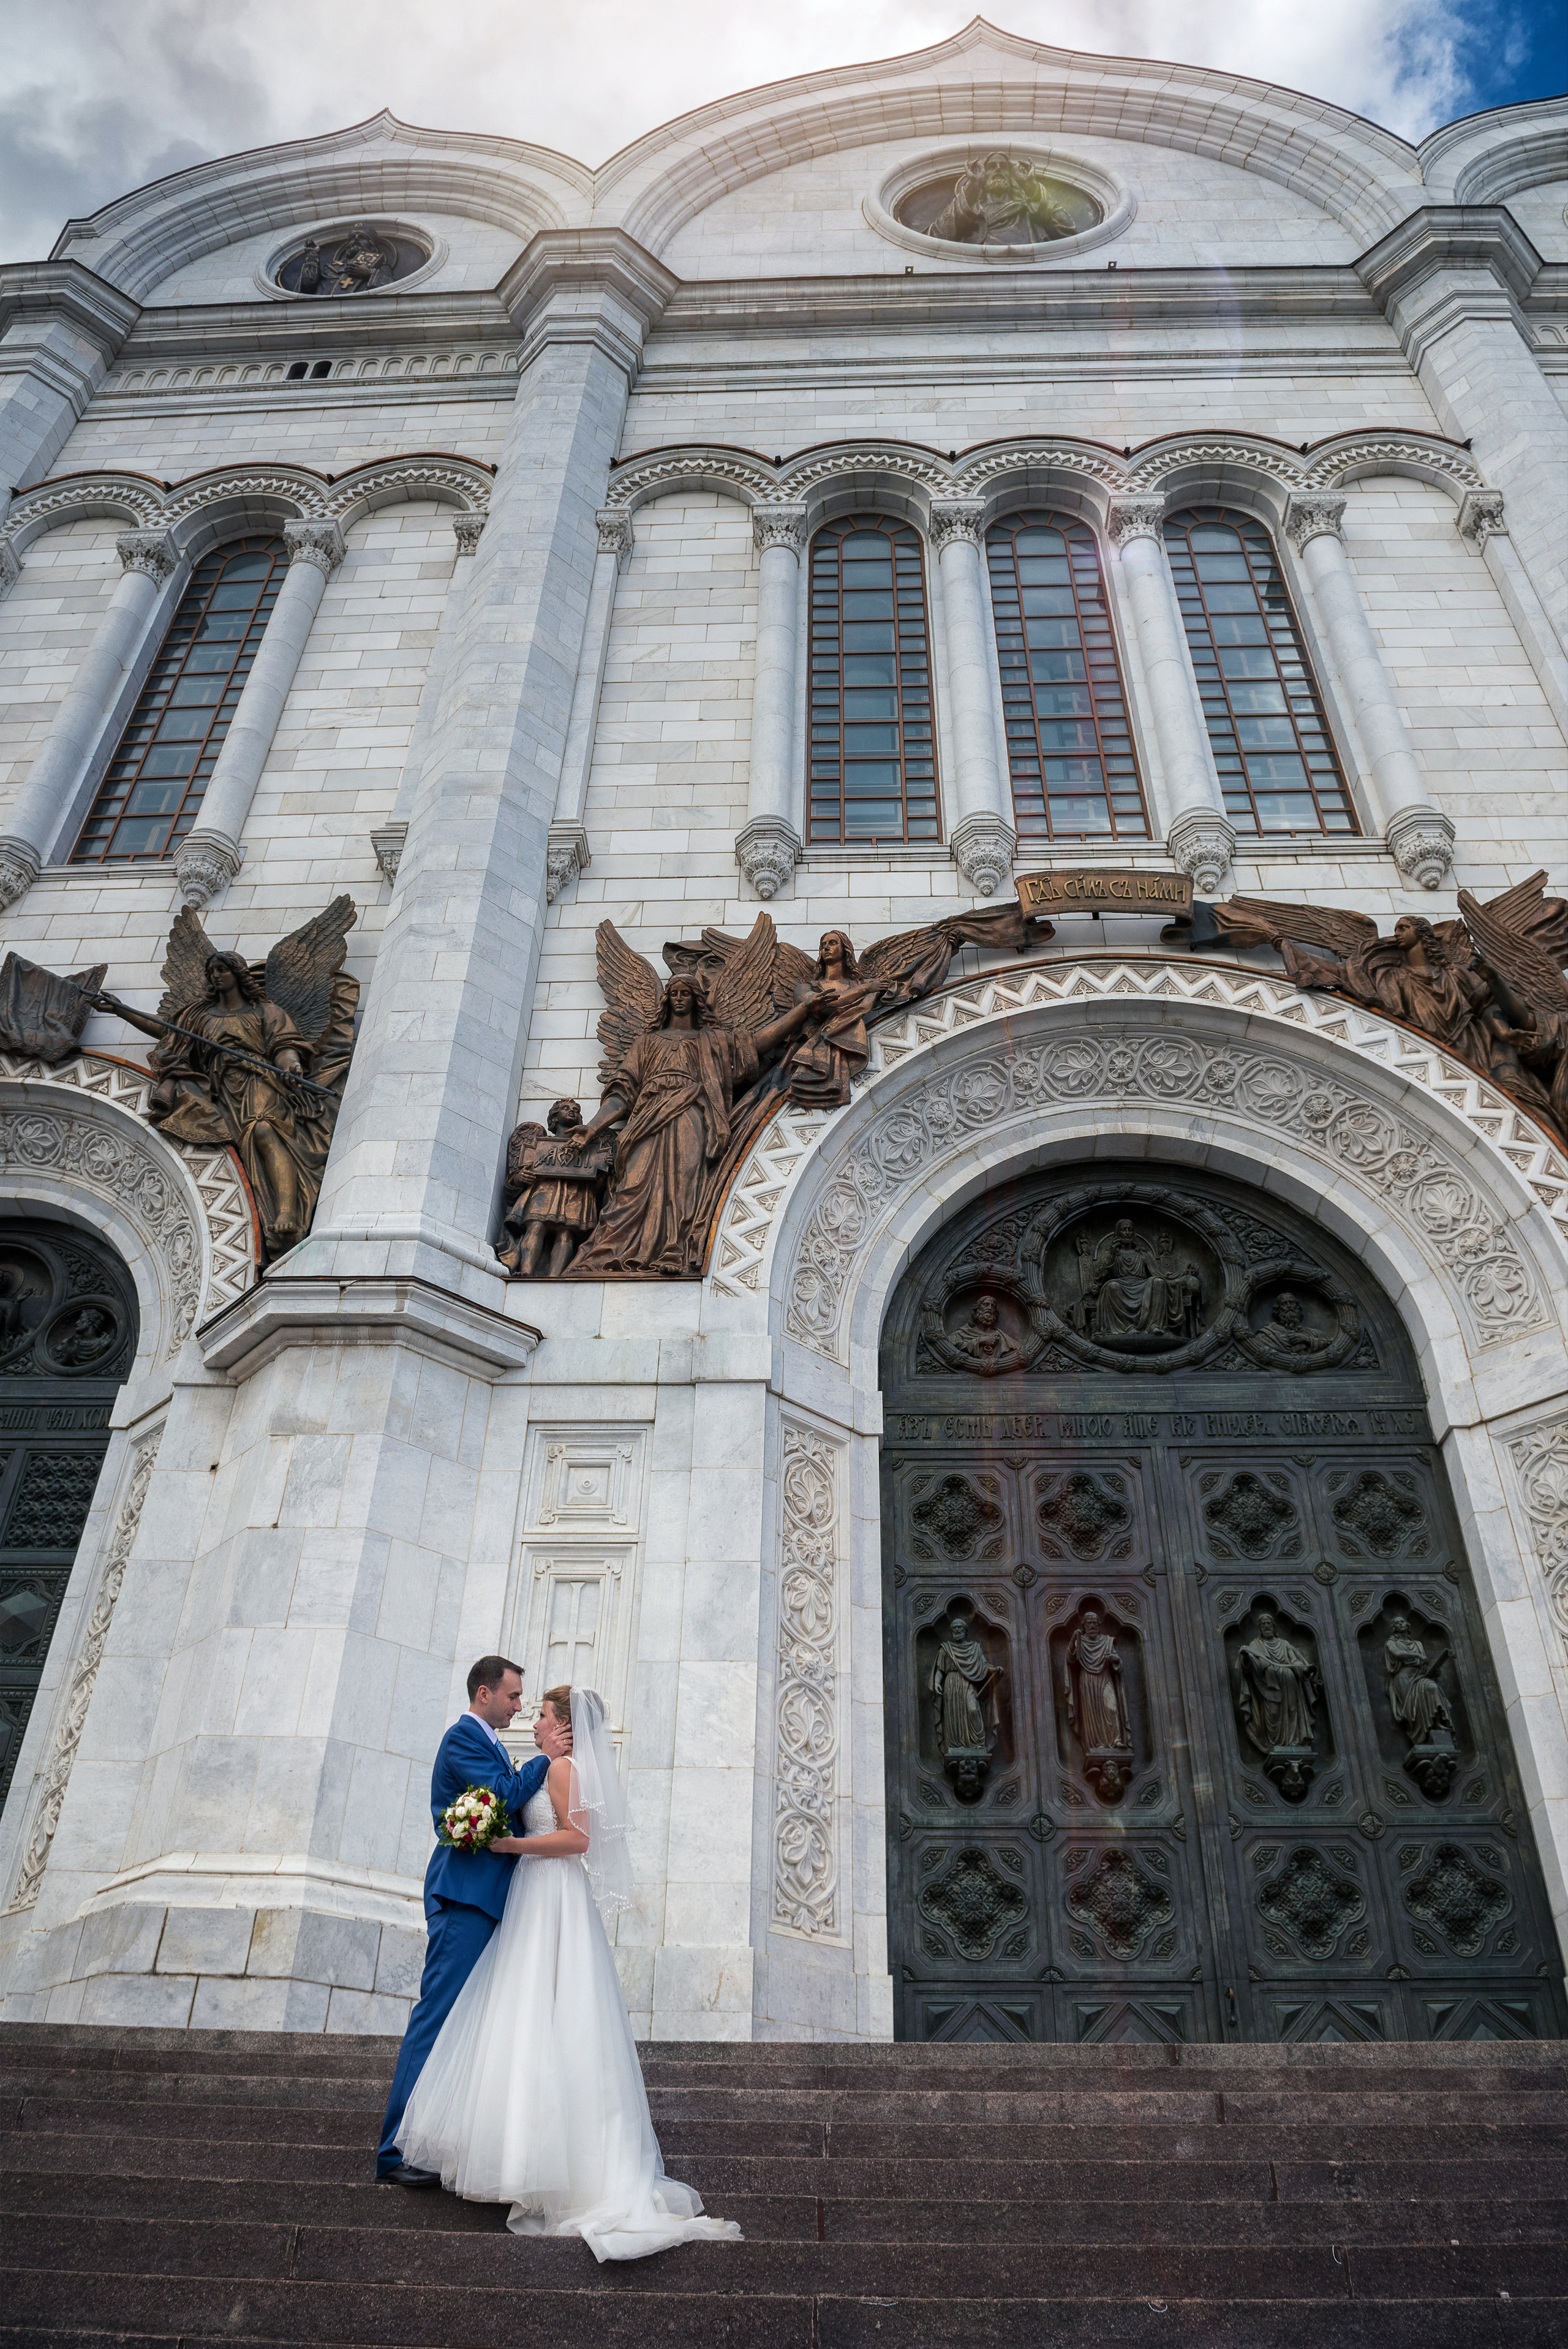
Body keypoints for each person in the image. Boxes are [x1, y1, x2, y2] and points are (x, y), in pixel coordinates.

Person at [396, 1685, 743, 2261]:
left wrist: (510, 1842)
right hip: (536, 1892)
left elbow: (577, 1839)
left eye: (541, 1714)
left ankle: (540, 2161)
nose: (532, 1721)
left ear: (563, 1726)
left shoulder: (561, 1768)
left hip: (550, 1891)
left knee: (543, 2006)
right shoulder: (552, 1765)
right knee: (529, 2011)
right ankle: (520, 2150)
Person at [376, 1656, 569, 2184]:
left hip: (495, 1900)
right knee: (437, 2018)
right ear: (484, 1693)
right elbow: (501, 1800)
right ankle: (394, 2151)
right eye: (512, 1696)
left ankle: (436, 2143)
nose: (519, 1705)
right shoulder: (463, 1739)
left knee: (469, 2027)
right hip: (465, 1897)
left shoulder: (492, 1742)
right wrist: (544, 1759)